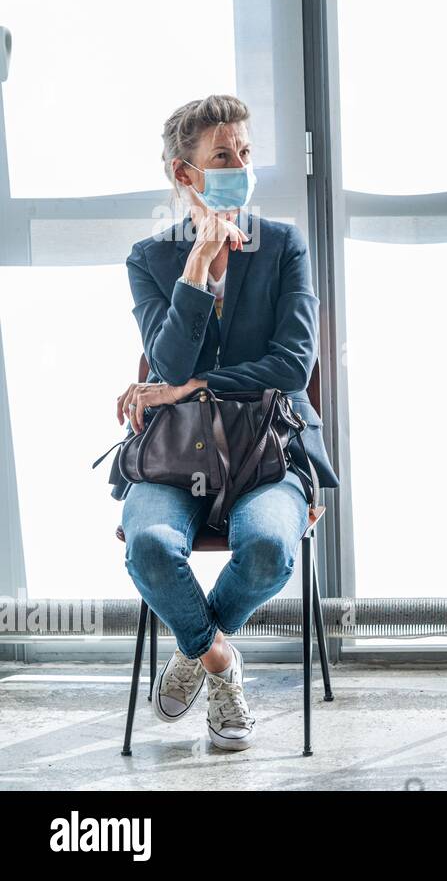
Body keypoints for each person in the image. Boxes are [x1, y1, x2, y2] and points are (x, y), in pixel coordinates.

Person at [113, 95, 339, 751]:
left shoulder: (284, 246)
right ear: (185, 175)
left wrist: (193, 385)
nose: (241, 165)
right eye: (222, 156)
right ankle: (217, 659)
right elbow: (169, 356)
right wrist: (197, 270)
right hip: (177, 456)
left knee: (270, 546)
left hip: (271, 449)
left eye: (244, 151)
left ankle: (190, 644)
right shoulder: (148, 259)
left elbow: (292, 366)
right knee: (149, 544)